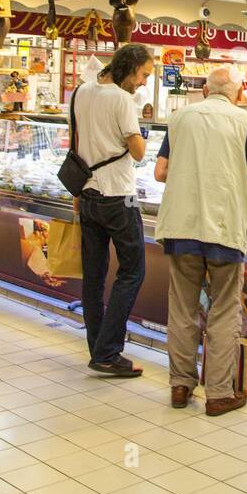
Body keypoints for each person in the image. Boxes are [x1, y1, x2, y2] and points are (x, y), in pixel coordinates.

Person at [154, 66, 247, 416]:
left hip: (181, 227)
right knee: (222, 310)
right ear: (237, 94)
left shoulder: (179, 118)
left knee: (183, 309)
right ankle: (218, 393)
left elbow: (160, 172)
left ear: (205, 91)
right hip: (223, 229)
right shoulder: (245, 121)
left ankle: (180, 385)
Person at [73, 43, 154, 377]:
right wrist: (141, 138)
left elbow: (76, 139)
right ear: (130, 67)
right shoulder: (122, 99)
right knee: (133, 271)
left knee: (93, 277)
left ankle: (98, 348)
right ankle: (108, 351)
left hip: (88, 193)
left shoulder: (80, 91)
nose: (144, 83)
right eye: (144, 75)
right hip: (119, 197)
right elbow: (137, 151)